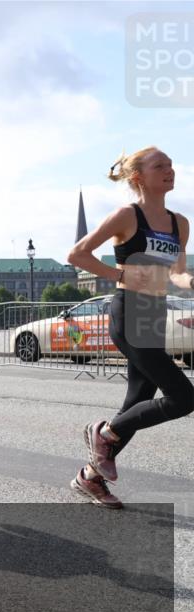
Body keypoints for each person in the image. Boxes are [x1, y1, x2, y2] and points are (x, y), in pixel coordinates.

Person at [66, 147, 194, 509]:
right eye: (160, 166)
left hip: (155, 311)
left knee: (137, 403)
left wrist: (190, 281)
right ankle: (103, 431)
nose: (170, 170)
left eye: (171, 164)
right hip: (128, 312)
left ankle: (89, 478)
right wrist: (119, 273)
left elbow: (176, 273)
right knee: (184, 397)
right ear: (138, 177)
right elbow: (77, 254)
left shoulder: (179, 223)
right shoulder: (127, 216)